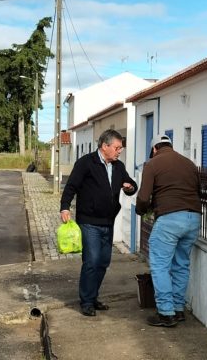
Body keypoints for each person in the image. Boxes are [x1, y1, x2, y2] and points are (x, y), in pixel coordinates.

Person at [60, 129, 138, 317]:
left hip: (108, 222)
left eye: (121, 148)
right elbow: (71, 186)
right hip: (89, 222)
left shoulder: (118, 166)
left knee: (103, 262)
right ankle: (86, 301)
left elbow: (129, 184)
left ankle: (93, 297)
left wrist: (130, 187)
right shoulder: (86, 163)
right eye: (117, 148)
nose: (120, 151)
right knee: (92, 261)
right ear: (105, 146)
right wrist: (64, 207)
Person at [136, 134, 202, 328]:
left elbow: (143, 197)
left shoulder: (153, 164)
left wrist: (142, 211)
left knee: (160, 266)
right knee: (181, 264)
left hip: (170, 219)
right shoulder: (189, 164)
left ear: (155, 148)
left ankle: (166, 312)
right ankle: (178, 308)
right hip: (193, 218)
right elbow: (198, 191)